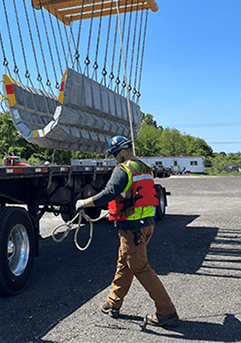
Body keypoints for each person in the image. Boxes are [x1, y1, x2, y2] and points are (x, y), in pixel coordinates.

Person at [75, 135, 179, 327]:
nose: (115, 157)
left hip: (133, 228)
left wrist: (85, 203)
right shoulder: (144, 167)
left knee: (140, 268)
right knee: (124, 263)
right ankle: (113, 303)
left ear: (123, 151)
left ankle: (167, 312)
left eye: (115, 153)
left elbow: (110, 193)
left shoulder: (123, 170)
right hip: (147, 224)